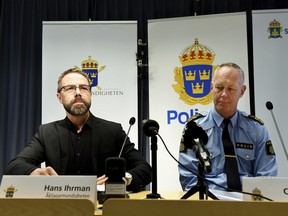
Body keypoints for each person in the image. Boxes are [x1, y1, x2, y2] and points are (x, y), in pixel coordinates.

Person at [5, 67, 152, 192]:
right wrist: (35, 172)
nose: (78, 92)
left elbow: (144, 169)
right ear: (59, 97)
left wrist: (125, 179)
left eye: (83, 88)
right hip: (61, 209)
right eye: (69, 88)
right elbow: (14, 167)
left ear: (90, 94)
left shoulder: (113, 131)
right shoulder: (47, 133)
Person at [178, 62, 277, 192]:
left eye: (230, 89)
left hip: (248, 204)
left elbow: (266, 177)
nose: (224, 94)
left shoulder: (257, 129)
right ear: (211, 87)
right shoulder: (195, 128)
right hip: (209, 204)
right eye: (219, 87)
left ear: (242, 91)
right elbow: (188, 178)